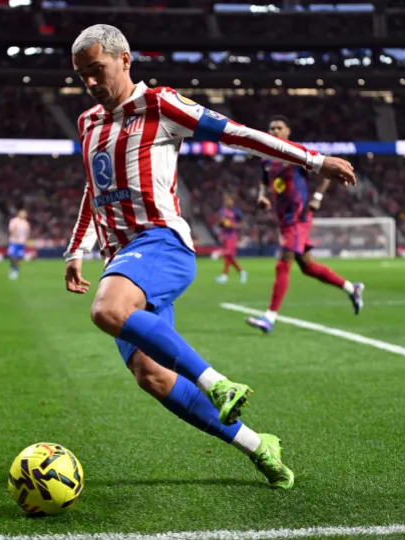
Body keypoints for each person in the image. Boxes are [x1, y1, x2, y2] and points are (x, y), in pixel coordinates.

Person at [63, 24, 356, 489]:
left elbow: (236, 134)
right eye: (82, 76)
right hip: (122, 260)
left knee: (106, 309)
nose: (91, 83)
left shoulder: (161, 104)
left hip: (161, 243)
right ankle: (259, 447)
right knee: (152, 376)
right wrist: (77, 249)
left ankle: (215, 381)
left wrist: (313, 160)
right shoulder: (87, 123)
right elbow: (91, 189)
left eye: (97, 70)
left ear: (124, 60)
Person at [247, 116, 364, 334]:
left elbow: (326, 172)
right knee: (307, 266)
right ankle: (352, 288)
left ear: (288, 131)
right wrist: (262, 197)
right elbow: (264, 183)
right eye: (271, 128)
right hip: (284, 220)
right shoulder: (266, 159)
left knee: (283, 262)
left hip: (299, 217)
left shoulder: (297, 154)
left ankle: (269, 317)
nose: (274, 131)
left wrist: (318, 196)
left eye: (278, 128)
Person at [215, 195, 247, 284]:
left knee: (228, 253)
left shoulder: (236, 211)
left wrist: (235, 226)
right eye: (226, 200)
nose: (228, 202)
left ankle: (224, 276)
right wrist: (222, 223)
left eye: (229, 200)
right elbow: (219, 224)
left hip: (232, 235)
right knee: (229, 257)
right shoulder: (222, 211)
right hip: (225, 235)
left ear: (233, 201)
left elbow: (243, 223)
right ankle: (242, 272)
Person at [7, 209, 30, 280]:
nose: (25, 215)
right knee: (11, 255)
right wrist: (15, 233)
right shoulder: (14, 221)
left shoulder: (26, 223)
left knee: (17, 256)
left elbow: (27, 232)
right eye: (23, 213)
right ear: (19, 214)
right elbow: (11, 229)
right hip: (14, 241)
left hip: (21, 242)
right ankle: (15, 268)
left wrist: (26, 240)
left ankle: (15, 270)